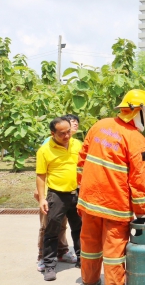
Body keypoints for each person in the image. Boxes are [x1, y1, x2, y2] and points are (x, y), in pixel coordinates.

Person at [77, 89, 145, 285]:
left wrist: (82, 192)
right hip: (115, 207)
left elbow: (81, 162)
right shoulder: (136, 139)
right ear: (137, 111)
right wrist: (142, 214)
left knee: (89, 247)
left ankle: (89, 281)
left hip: (89, 203)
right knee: (114, 253)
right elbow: (138, 181)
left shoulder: (99, 126)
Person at [36, 116, 83, 281]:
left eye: (68, 131)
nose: (67, 136)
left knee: (79, 228)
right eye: (62, 133)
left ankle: (82, 259)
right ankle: (49, 265)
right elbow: (41, 175)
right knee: (52, 230)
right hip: (57, 195)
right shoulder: (44, 150)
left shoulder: (77, 144)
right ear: (52, 133)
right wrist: (42, 198)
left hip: (77, 192)